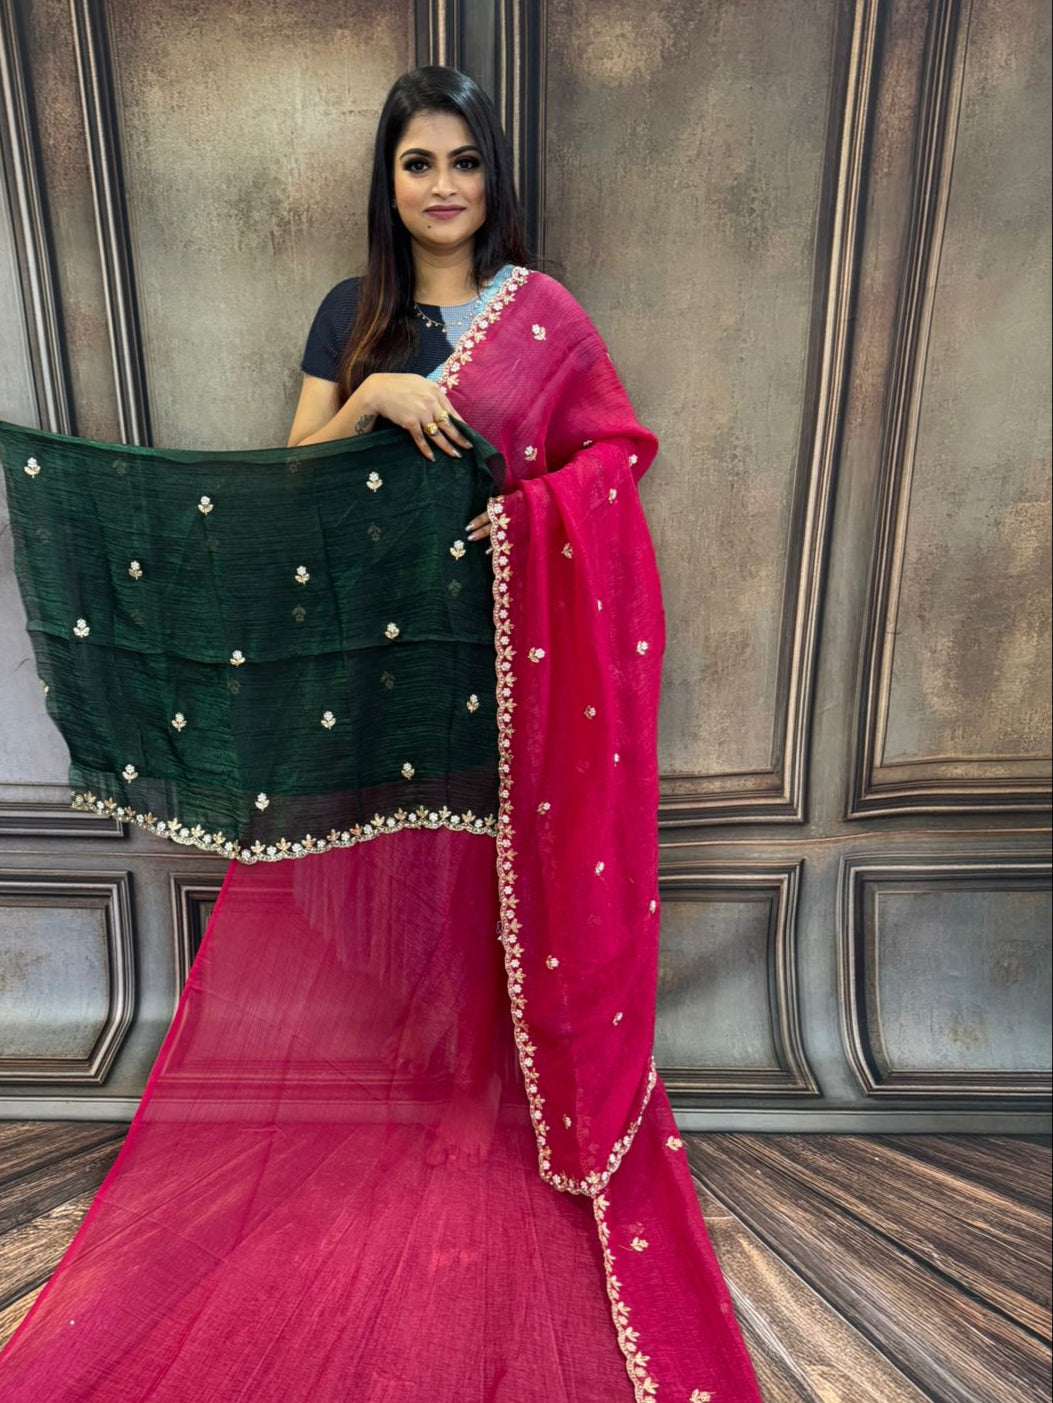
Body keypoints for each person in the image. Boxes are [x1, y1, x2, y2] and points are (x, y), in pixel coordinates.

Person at [0, 66, 764, 1401]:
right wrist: (373, 402)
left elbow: (610, 459)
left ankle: (479, 1104)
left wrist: (535, 521)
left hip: (505, 663)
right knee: (390, 894)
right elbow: (295, 476)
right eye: (419, 163)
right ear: (390, 181)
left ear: (491, 176)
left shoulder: (546, 318)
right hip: (370, 668)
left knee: (485, 889)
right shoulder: (352, 315)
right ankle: (412, 1087)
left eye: (463, 160)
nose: (443, 185)